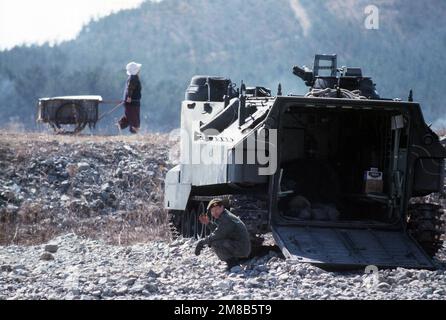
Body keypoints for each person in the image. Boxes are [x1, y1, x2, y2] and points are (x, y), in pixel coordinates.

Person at [195, 198, 251, 270]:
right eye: (212, 211)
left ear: (222, 207)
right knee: (215, 240)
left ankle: (232, 264)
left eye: (217, 209)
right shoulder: (225, 215)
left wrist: (202, 242)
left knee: (215, 242)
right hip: (239, 245)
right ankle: (234, 263)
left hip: (242, 248)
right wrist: (208, 223)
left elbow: (218, 234)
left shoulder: (226, 218)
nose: (215, 212)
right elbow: (221, 230)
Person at [118, 61, 142, 134]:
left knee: (129, 117)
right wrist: (129, 97)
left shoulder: (133, 78)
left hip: (132, 102)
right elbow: (130, 89)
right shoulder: (133, 78)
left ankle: (120, 125)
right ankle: (135, 133)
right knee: (134, 119)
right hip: (132, 102)